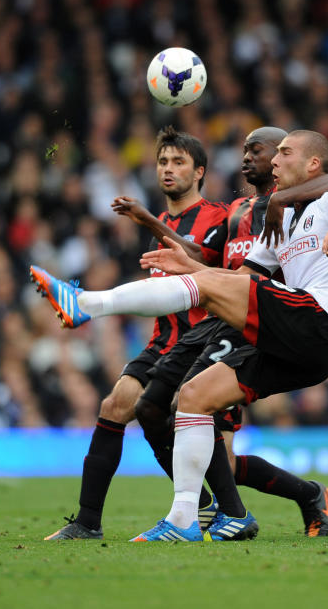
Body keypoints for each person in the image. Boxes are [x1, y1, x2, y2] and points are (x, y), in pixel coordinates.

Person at [32, 130, 328, 541]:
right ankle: (183, 521)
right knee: (195, 397)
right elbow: (238, 280)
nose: (276, 161)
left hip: (321, 321)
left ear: (313, 165)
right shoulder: (278, 218)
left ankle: (85, 303)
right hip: (296, 345)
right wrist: (190, 266)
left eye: (284, 153)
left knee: (206, 323)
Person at [118, 127, 328, 539]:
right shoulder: (237, 210)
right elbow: (202, 259)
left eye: (259, 151)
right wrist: (152, 223)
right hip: (217, 316)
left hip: (256, 322)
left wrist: (280, 199)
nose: (249, 158)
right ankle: (229, 507)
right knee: (161, 410)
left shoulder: (299, 204)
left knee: (202, 428)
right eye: (246, 150)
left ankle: (226, 511)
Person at [30, 126, 228, 540]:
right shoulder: (167, 220)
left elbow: (204, 262)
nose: (168, 169)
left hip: (203, 338)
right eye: (162, 161)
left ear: (200, 172)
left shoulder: (218, 217)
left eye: (178, 162)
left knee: (205, 441)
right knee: (114, 404)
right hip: (163, 339)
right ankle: (87, 522)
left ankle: (233, 503)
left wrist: (149, 221)